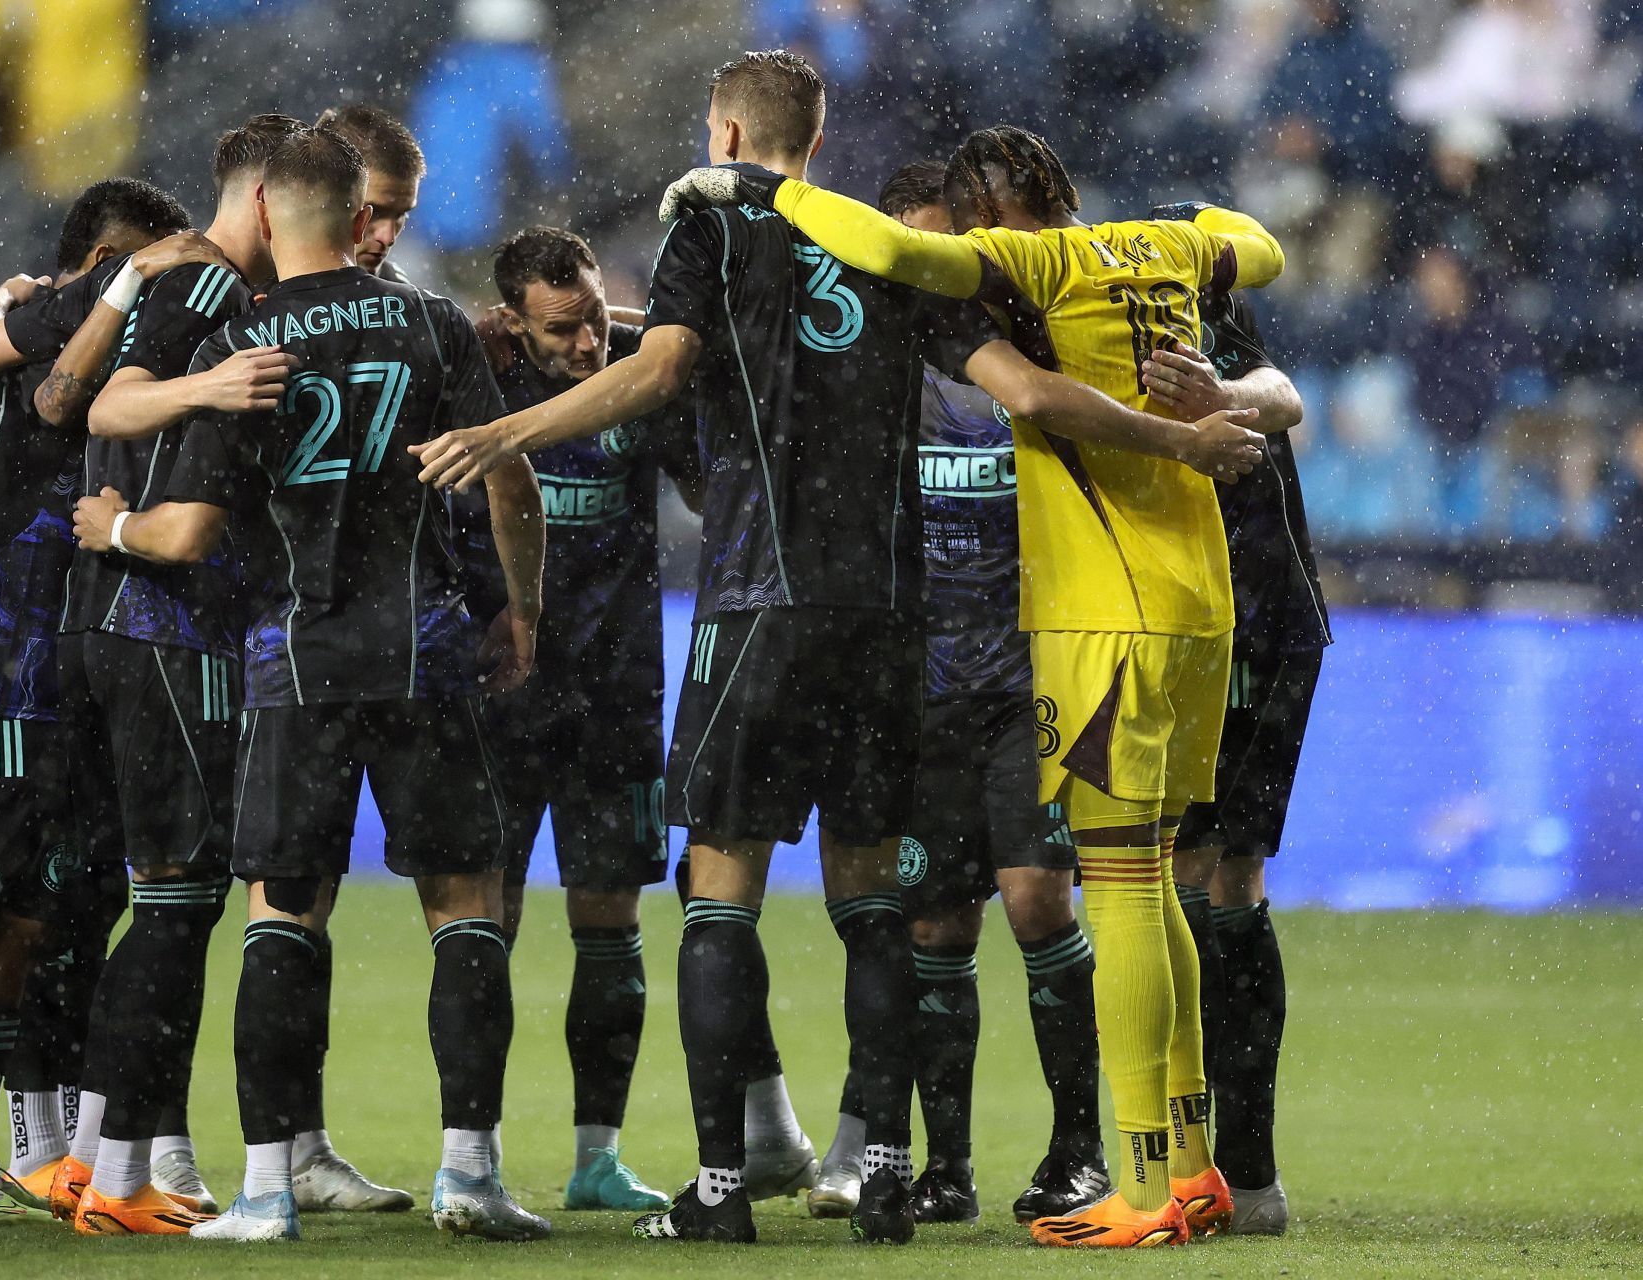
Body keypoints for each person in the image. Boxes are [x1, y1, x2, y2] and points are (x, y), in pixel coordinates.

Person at [412, 54, 1263, 1246]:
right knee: (875, 897)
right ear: (820, 135)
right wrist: (1186, 438)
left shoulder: (705, 232)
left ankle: (717, 1188)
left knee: (724, 888)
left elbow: (654, 370)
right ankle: (881, 1169)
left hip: (761, 600)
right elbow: (1028, 390)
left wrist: (506, 425)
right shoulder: (886, 246)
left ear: (722, 128)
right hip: (890, 621)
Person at [658, 123, 1284, 1247]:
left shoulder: (1035, 266)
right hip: (1199, 604)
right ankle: (1191, 1164)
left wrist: (764, 187)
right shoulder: (1163, 250)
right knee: (1158, 879)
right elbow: (1262, 249)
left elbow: (901, 257)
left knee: (1125, 889)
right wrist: (1200, 287)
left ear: (994, 210)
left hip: (1100, 617)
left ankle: (1138, 1182)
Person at [71, 124, 550, 1244]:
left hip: (300, 661)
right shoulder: (434, 323)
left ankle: (268, 1188)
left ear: (275, 217)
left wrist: (118, 522)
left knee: (283, 919)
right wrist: (519, 607)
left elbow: (185, 533)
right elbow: (509, 476)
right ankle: (471, 1174)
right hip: (427, 648)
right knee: (465, 912)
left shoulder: (245, 343)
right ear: (357, 213)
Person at [0, 178, 207, 1223]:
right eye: (153, 268)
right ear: (118, 259)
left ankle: (33, 1142)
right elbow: (7, 368)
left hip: (8, 653)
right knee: (16, 903)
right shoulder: (71, 311)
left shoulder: (26, 309)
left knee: (55, 896)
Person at [808, 162, 1107, 1229]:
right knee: (935, 927)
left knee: (1036, 901)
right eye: (915, 256)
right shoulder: (873, 378)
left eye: (951, 254)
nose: (938, 277)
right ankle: (949, 1164)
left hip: (1027, 680)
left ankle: (1081, 1150)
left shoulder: (1039, 361)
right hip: (920, 691)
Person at [463, 225, 699, 1213]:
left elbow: (707, 475)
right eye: (563, 330)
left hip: (616, 692)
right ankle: (469, 1155)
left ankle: (597, 1156)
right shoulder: (473, 381)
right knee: (486, 919)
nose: (588, 344)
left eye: (598, 316)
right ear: (513, 323)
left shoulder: (637, 383)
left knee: (610, 918)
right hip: (502, 696)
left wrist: (651, 337)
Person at [1148, 200, 1330, 1237]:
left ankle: (1244, 1166)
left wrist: (1217, 394)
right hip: (1173, 619)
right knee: (1168, 871)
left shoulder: (1194, 314)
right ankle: (1182, 1159)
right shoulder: (1109, 314)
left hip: (1257, 618)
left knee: (1220, 869)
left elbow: (1282, 394)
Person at [315, 103, 425, 281]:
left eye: (400, 215)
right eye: (373, 212)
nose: (388, 237)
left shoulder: (403, 300)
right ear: (319, 196)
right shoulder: (259, 300)